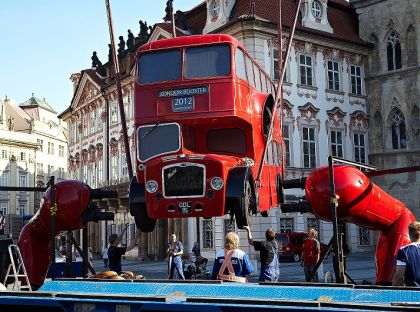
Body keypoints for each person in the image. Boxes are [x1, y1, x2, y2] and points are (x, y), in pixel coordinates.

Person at [392, 221, 420, 287]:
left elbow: (398, 278)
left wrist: (394, 293)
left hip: (413, 293)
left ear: (409, 234)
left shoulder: (404, 250)